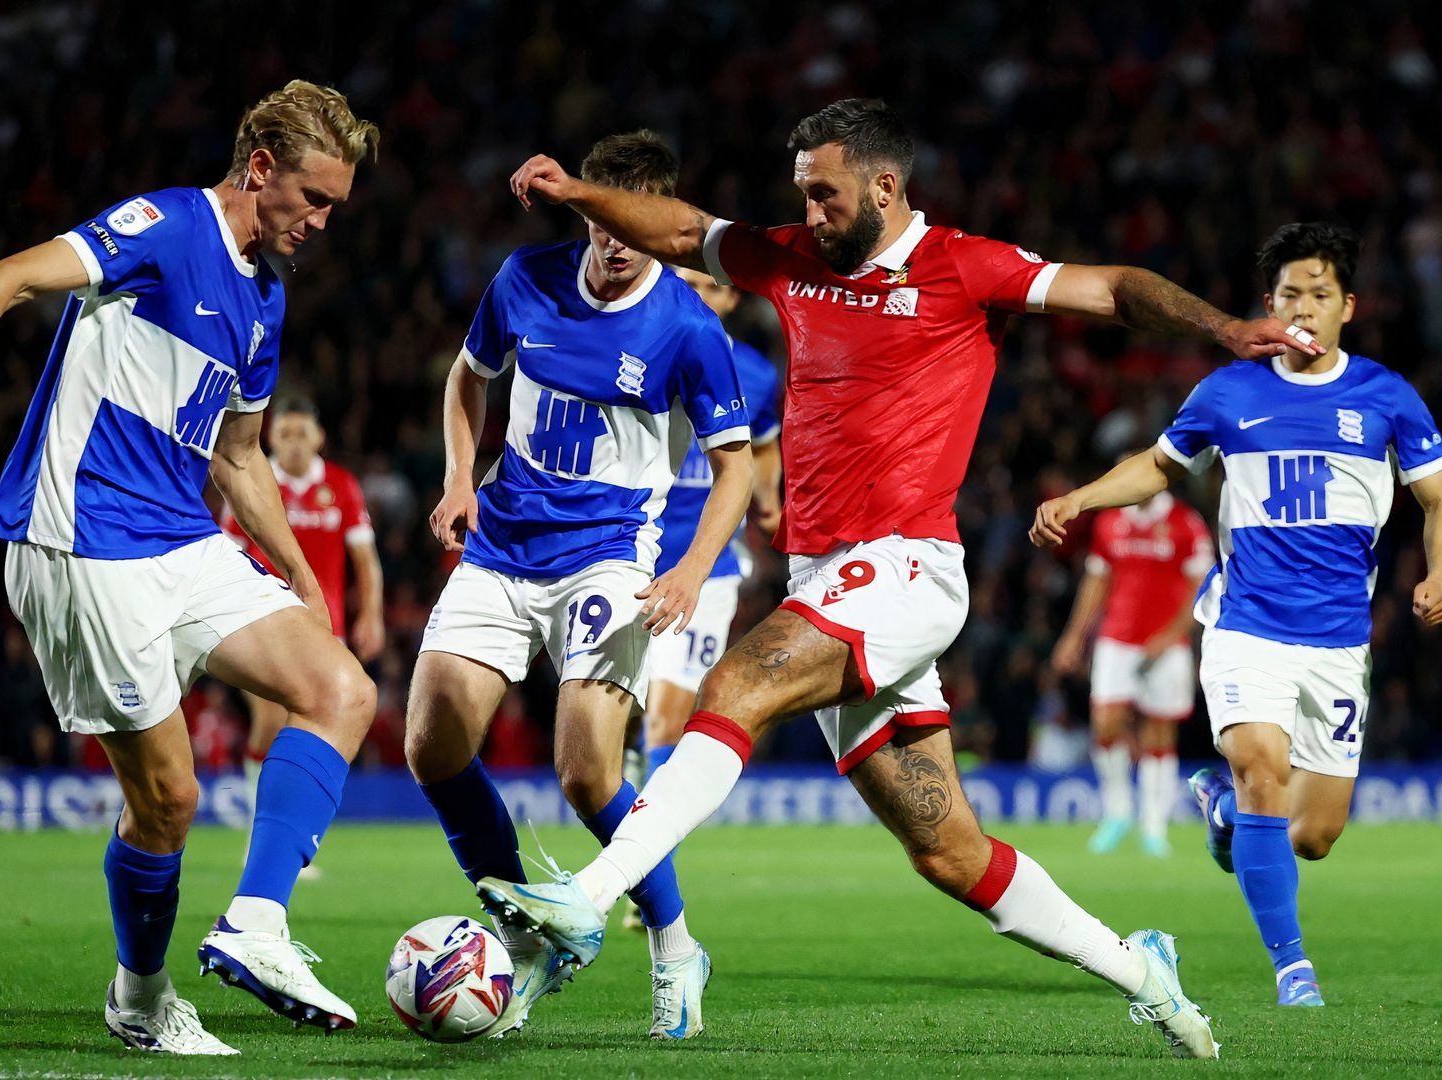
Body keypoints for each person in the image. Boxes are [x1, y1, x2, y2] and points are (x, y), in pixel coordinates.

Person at [485, 98, 1319, 1058]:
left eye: (826, 194)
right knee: (946, 850)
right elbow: (678, 227)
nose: (811, 212)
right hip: (824, 577)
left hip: (907, 565)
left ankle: (584, 904)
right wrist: (571, 191)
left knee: (736, 686)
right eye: (802, 194)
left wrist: (1222, 327)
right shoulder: (792, 257)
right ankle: (1143, 969)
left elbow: (1116, 287)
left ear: (886, 186)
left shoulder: (966, 267)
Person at [0, 80, 379, 1055]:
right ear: (261, 169)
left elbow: (238, 458)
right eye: (314, 199)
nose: (323, 221)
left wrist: (302, 574)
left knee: (342, 688)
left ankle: (258, 922)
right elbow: (7, 275)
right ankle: (142, 998)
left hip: (180, 535)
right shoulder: (160, 225)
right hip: (81, 537)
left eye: (336, 207)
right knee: (170, 801)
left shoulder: (267, 300)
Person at [1032, 222, 1442, 1007]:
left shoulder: (1386, 396)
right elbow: (1159, 468)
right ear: (1270, 304)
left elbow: (1440, 499)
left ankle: (1221, 809)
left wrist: (1439, 573)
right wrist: (1081, 496)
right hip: (1246, 628)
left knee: (1314, 835)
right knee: (1265, 772)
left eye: (1321, 294)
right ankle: (1293, 966)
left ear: (1348, 308)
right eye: (1291, 292)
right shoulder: (1229, 391)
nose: (1305, 305)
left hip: (1337, 642)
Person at [406, 131, 752, 1040]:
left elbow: (738, 470)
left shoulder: (686, 325)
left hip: (609, 554)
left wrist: (687, 570)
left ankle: (674, 945)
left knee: (584, 769)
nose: (612, 236)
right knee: (431, 743)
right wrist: (456, 477)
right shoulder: (525, 277)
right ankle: (523, 934)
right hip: (504, 543)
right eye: (598, 214)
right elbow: (466, 379)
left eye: (629, 219)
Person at [617, 267, 781, 932]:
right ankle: (639, 832)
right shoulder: (632, 350)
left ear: (730, 295)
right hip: (625, 564)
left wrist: (766, 497)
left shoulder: (757, 373)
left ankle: (646, 874)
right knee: (621, 727)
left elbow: (763, 449)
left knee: (665, 724)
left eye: (701, 284)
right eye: (676, 282)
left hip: (706, 573)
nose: (686, 294)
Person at [218, 393, 384, 822]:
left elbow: (365, 560)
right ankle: (264, 829)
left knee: (317, 726)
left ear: (319, 437)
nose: (292, 442)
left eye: (301, 433)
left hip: (325, 628)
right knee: (272, 721)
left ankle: (294, 826)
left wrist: (372, 614)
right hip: (260, 625)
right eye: (284, 433)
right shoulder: (249, 484)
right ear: (268, 436)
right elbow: (223, 557)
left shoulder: (341, 485)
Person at [1049, 459, 1212, 856]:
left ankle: (1154, 826)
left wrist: (1173, 635)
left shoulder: (1185, 524)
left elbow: (1201, 586)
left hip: (1165, 646)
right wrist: (1074, 637)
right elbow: (1096, 582)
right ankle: (1118, 811)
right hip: (1116, 640)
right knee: (1106, 723)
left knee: (1159, 732)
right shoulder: (1110, 523)